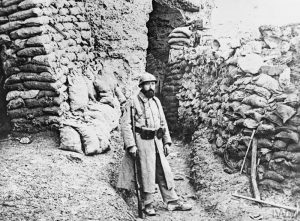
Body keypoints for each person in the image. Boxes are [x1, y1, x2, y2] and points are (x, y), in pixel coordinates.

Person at [117, 72, 192, 216]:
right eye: (147, 84)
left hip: (157, 141)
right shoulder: (133, 102)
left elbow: (163, 122)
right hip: (142, 142)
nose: (151, 87)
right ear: (141, 86)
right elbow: (125, 125)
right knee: (147, 172)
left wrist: (167, 141)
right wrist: (131, 145)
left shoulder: (156, 101)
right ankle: (148, 204)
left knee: (164, 170)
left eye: (153, 84)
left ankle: (172, 201)